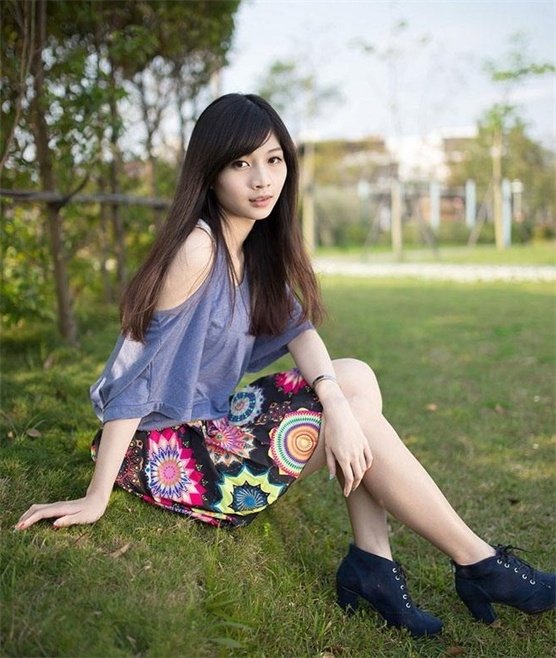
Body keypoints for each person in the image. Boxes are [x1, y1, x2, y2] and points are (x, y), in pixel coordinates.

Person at [15, 93, 555, 638]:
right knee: (356, 413)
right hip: (165, 451)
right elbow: (141, 377)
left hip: (209, 422)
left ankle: (375, 562)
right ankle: (476, 562)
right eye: (240, 163)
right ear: (210, 173)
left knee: (353, 378)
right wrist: (97, 495)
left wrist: (335, 403)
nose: (262, 179)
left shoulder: (250, 246)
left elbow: (299, 330)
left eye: (273, 160)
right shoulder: (198, 250)